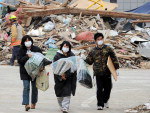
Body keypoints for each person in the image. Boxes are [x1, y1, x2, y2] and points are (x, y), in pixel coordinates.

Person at [85, 33, 119, 110]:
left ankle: (105, 100)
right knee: (99, 89)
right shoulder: (93, 51)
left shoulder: (108, 49)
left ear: (103, 39)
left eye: (101, 39)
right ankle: (100, 104)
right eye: (98, 39)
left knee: (108, 88)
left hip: (107, 72)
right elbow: (89, 61)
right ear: (95, 41)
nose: (100, 41)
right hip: (98, 73)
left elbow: (114, 59)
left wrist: (116, 68)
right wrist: (84, 59)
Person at [17, 35, 42, 111]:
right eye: (26, 41)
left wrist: (42, 68)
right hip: (24, 72)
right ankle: (26, 104)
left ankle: (33, 103)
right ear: (23, 42)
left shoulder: (36, 49)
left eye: (29, 40)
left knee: (34, 88)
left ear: (31, 41)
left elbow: (42, 59)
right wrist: (27, 56)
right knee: (26, 87)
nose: (28, 42)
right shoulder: (21, 50)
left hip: (34, 72)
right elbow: (19, 61)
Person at [53, 41, 77, 113]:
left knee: (67, 91)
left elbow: (73, 67)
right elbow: (54, 67)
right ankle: (61, 106)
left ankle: (65, 107)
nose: (65, 48)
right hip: (58, 77)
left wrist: (66, 75)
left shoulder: (72, 56)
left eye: (67, 47)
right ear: (61, 47)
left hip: (69, 77)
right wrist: (61, 75)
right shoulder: (57, 56)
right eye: (64, 46)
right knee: (59, 93)